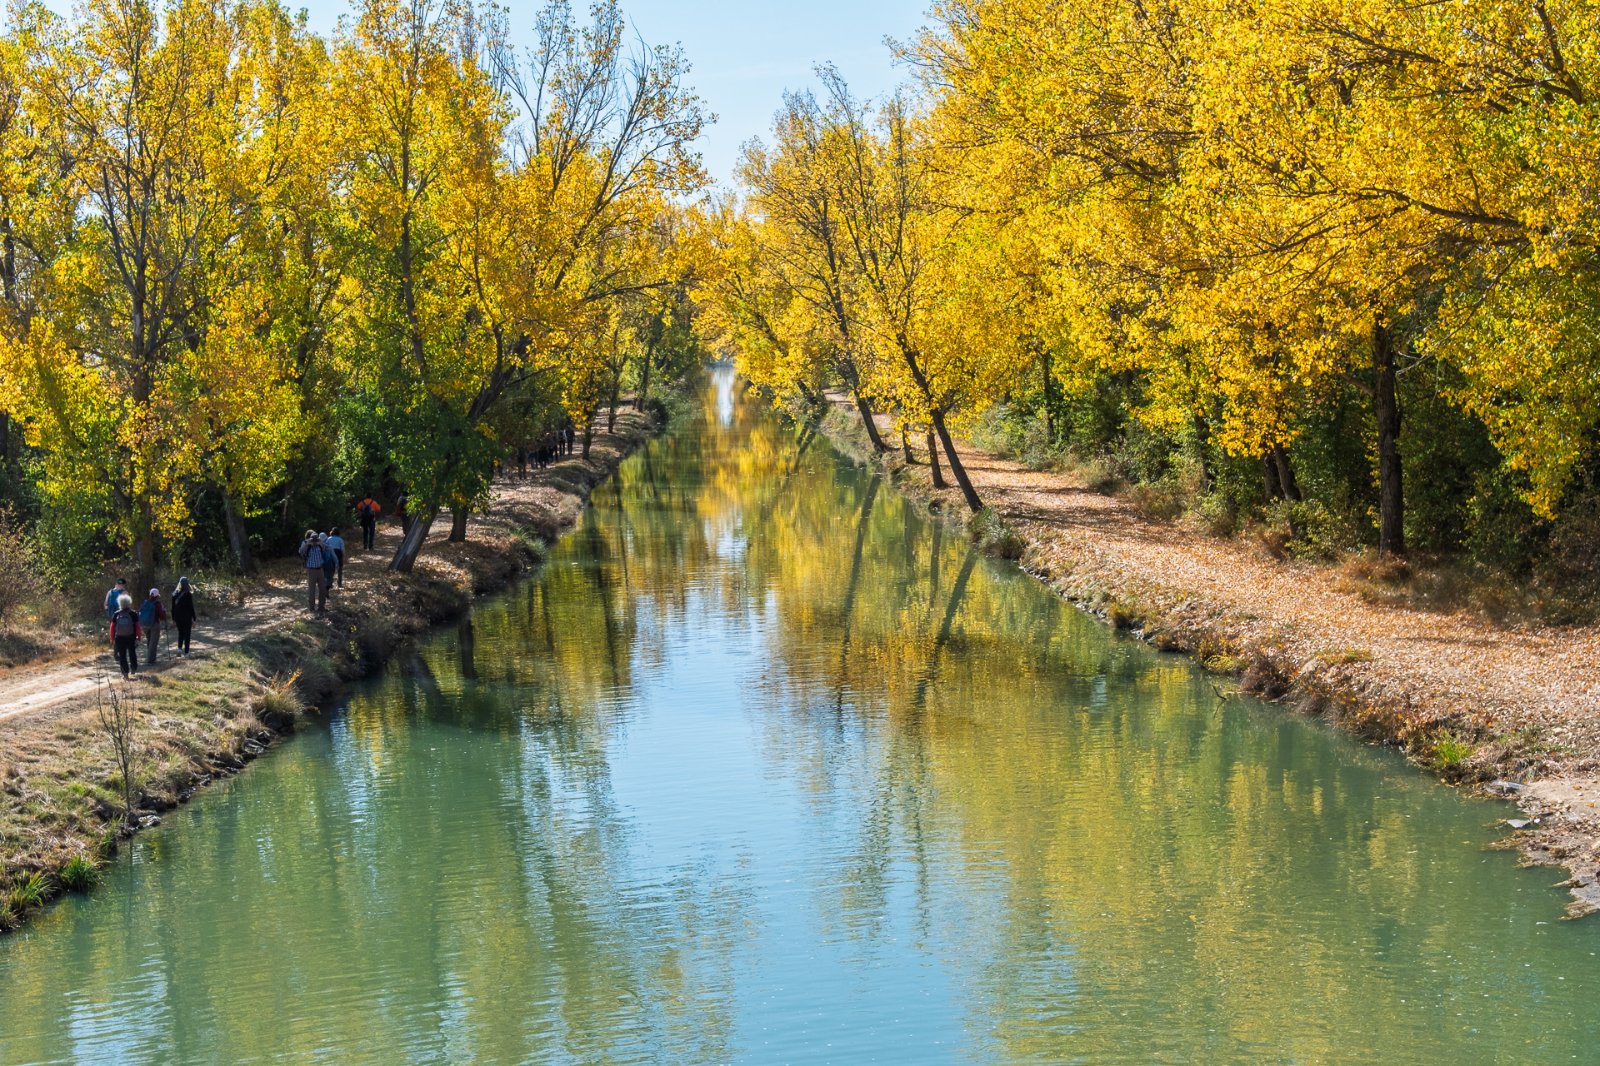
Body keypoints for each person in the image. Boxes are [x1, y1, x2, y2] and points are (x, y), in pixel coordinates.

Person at [108, 593, 140, 678]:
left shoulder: (116, 614)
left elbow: (112, 627)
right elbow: (137, 627)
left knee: (122, 656)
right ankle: (133, 668)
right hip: (131, 637)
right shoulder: (133, 613)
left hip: (119, 638)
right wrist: (138, 638)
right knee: (132, 653)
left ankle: (125, 673)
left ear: (120, 603)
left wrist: (112, 638)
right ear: (129, 602)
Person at [299, 529, 330, 612]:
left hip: (320, 569)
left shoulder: (320, 544)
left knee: (322, 589)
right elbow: (301, 552)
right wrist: (308, 543)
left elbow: (328, 549)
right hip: (311, 570)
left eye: (316, 538)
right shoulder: (306, 543)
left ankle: (321, 607)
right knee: (312, 590)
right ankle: (312, 608)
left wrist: (321, 542)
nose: (314, 540)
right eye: (313, 538)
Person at [138, 587, 167, 665]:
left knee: (149, 641)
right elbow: (162, 616)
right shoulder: (157, 604)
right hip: (154, 625)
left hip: (144, 624)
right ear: (157, 596)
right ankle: (151, 660)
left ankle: (150, 657)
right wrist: (164, 611)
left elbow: (140, 612)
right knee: (153, 642)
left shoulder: (145, 602)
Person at [171, 576, 197, 658]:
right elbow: (191, 607)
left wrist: (173, 618)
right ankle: (186, 652)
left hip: (178, 617)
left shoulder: (174, 594)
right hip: (187, 617)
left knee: (181, 633)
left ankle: (179, 649)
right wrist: (194, 618)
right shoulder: (188, 594)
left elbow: (172, 608)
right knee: (187, 634)